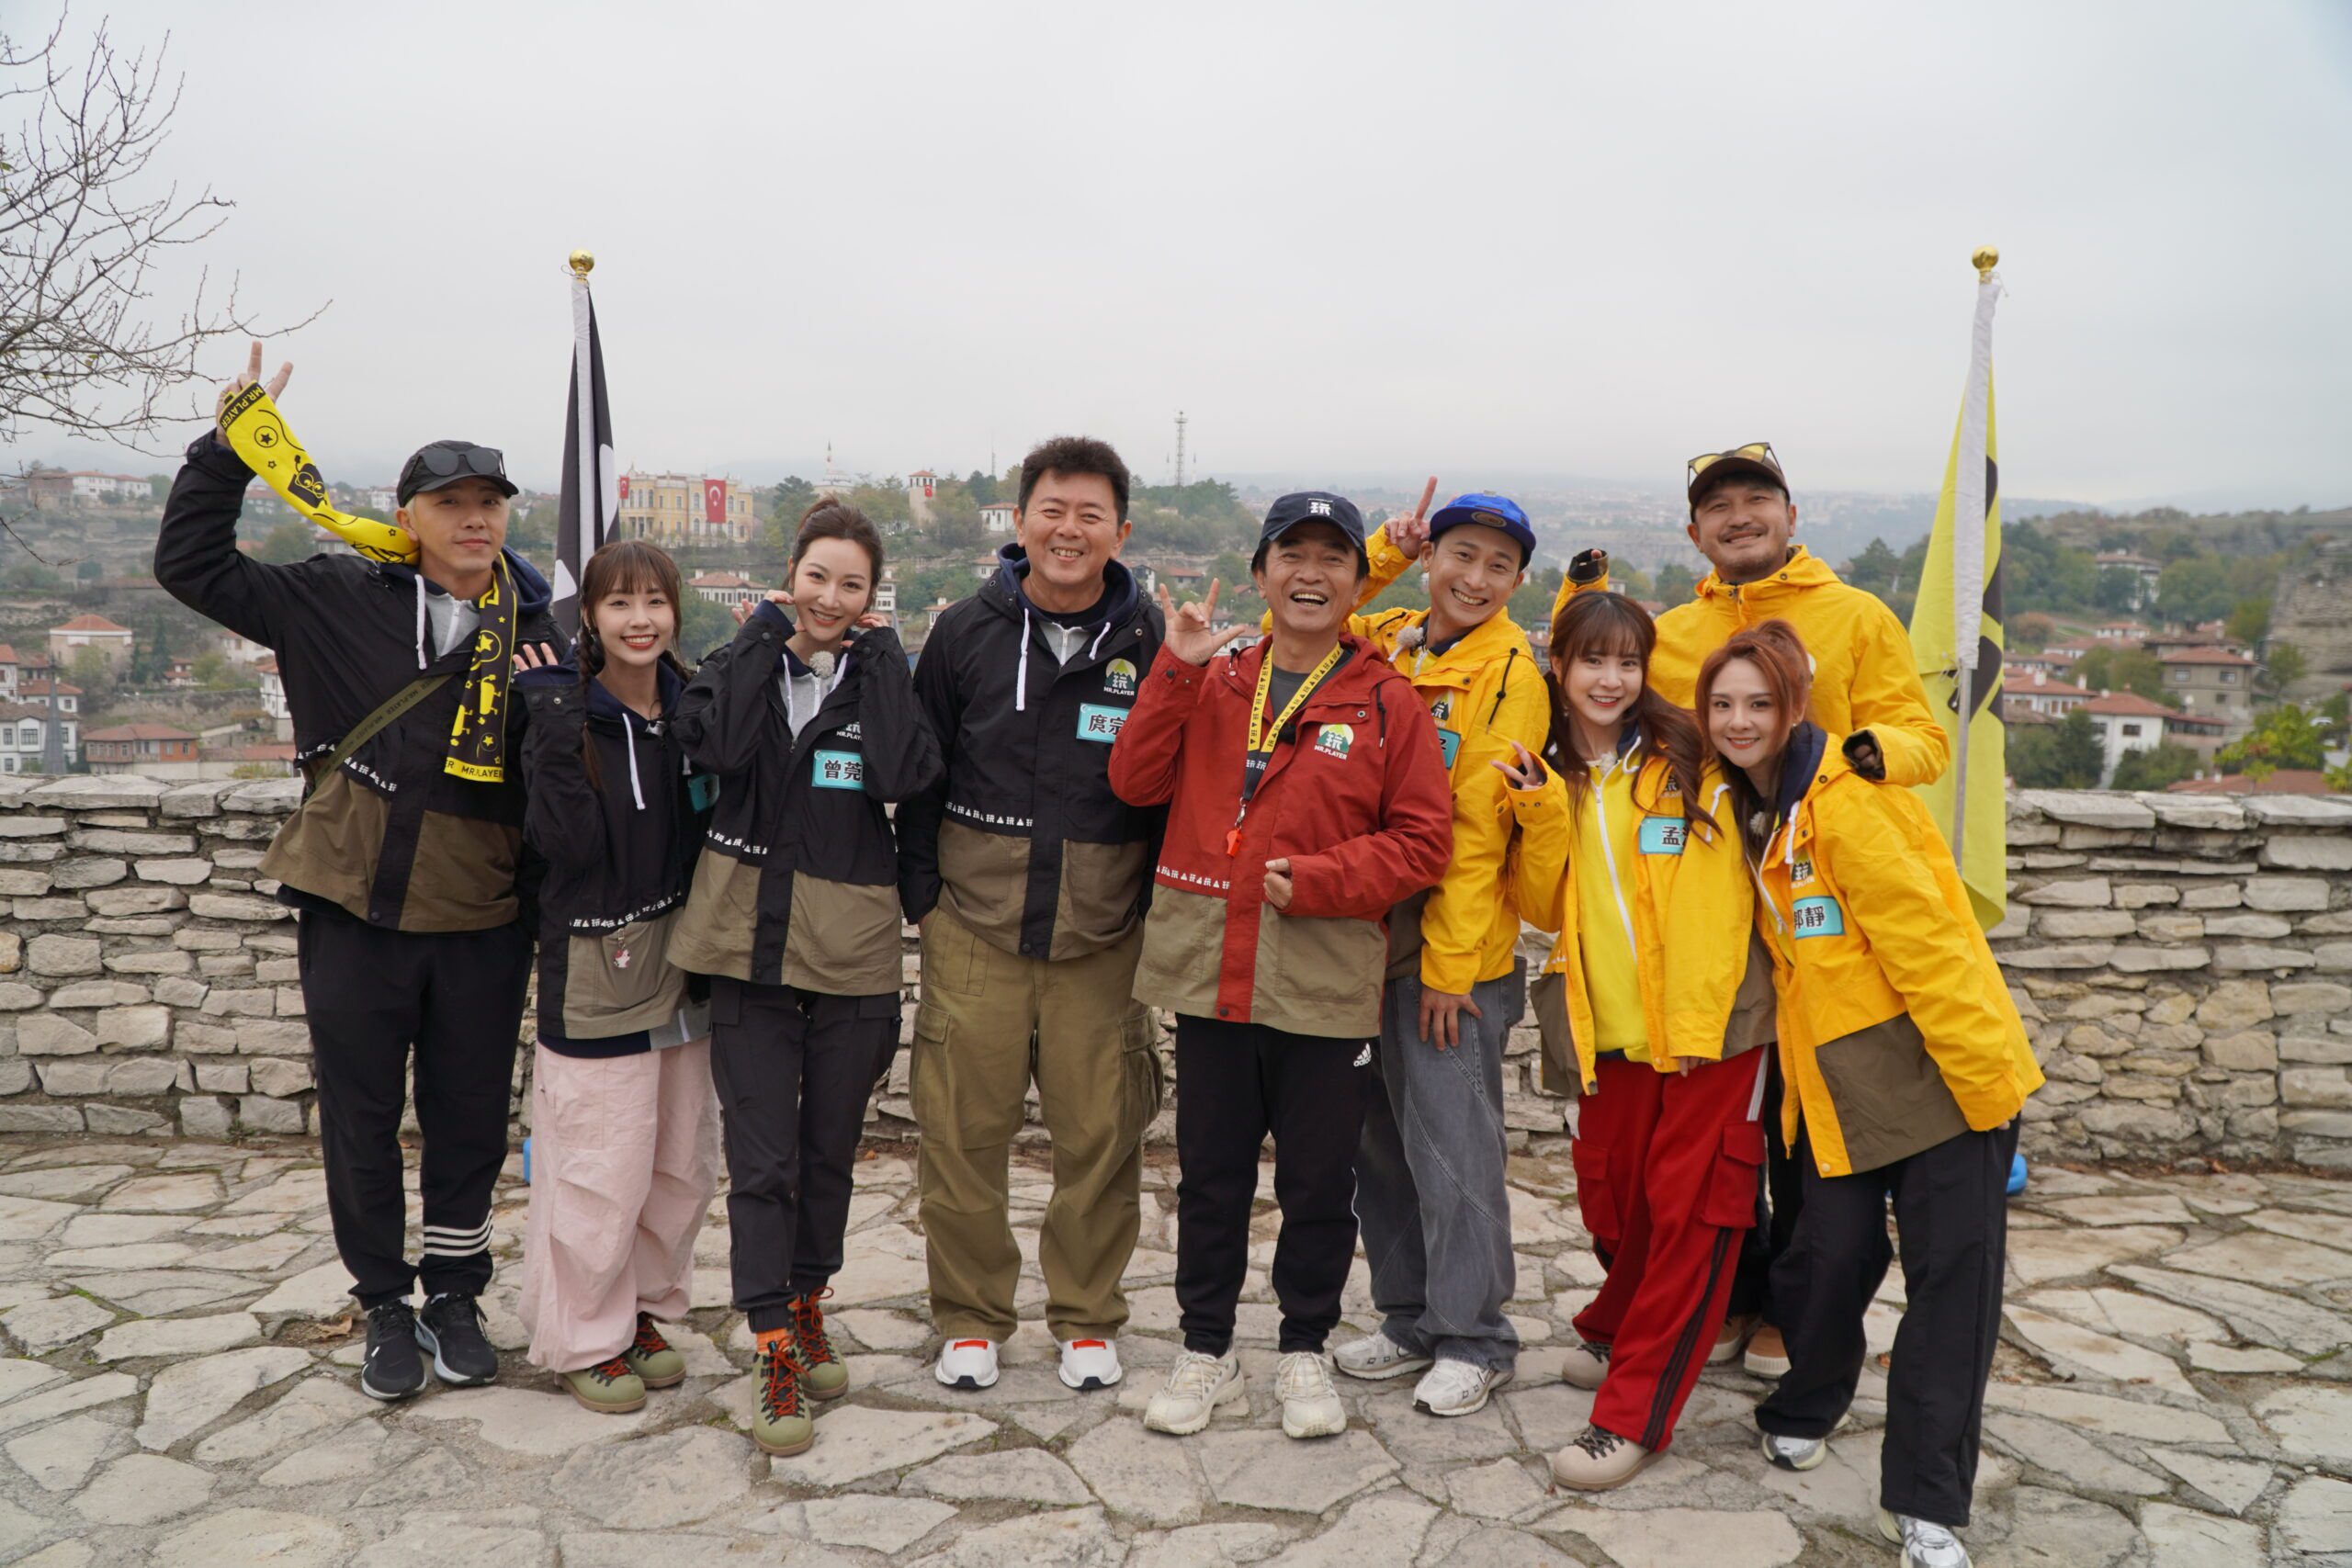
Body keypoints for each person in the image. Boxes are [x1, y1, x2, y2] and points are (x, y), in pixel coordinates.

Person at [154, 344, 563, 1402]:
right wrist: (225, 450)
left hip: (482, 915)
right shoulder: (332, 595)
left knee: (471, 1116)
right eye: (453, 502)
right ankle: (384, 1301)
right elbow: (192, 567)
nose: (476, 520)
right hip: (354, 909)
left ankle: (458, 1291)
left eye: (491, 504)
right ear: (410, 511)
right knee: (362, 1114)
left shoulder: (540, 626)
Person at [1553, 442, 1949, 1377]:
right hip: (1716, 922)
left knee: (1812, 1134)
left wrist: (1842, 765)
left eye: (1755, 499)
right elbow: (1592, 695)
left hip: (1825, 912)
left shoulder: (1855, 617)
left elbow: (1922, 738)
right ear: (1694, 532)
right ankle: (1724, 1299)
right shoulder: (1676, 634)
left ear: (1790, 516)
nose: (1737, 515)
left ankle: (1793, 1311)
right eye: (1718, 505)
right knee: (1722, 1139)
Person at [1109, 492, 1453, 1441]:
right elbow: (1133, 783)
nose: (1311, 572)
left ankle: (1304, 1347)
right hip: (1214, 971)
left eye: (1333, 558)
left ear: (1357, 582)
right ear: (1261, 574)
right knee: (1211, 1177)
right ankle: (1205, 1349)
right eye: (1290, 554)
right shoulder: (1212, 676)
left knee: (1316, 1183)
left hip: (1323, 978)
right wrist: (1171, 674)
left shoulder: (1387, 701)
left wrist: (1321, 877)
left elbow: (1423, 844)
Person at [1700, 619, 2041, 1568]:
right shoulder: (1750, 809)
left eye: (1758, 703)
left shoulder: (1846, 802)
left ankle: (1926, 1503)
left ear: (1795, 708)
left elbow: (1932, 949)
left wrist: (1985, 1098)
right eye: (1722, 704)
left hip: (1938, 1077)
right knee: (1824, 1261)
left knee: (1948, 1291)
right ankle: (1807, 1402)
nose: (1738, 721)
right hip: (1839, 1091)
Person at [668, 501, 941, 1457]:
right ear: (790, 578)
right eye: (817, 577)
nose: (831, 597)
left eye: (852, 584)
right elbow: (721, 750)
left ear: (873, 597)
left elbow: (906, 775)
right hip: (746, 947)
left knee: (828, 1150)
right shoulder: (734, 665)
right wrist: (758, 642)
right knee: (765, 1163)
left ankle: (811, 1300)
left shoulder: (878, 682)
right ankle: (773, 1342)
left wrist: (889, 662)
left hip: (853, 950)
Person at [898, 437, 1166, 1396]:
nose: (1068, 529)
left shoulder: (1150, 639)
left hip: (1102, 938)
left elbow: (1170, 790)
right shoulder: (964, 632)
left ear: (1119, 532)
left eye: (1090, 514)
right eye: (1051, 510)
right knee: (960, 1133)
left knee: (1102, 1135)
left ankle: (1086, 1317)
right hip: (975, 925)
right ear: (1020, 522)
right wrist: (924, 902)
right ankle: (970, 1317)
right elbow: (922, 775)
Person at [1496, 590, 1773, 1490]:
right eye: (1592, 661)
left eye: (1628, 662)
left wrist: (1701, 1023)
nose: (1610, 680)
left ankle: (1633, 1415)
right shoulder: (1547, 768)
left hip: (1712, 1029)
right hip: (1606, 1028)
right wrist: (1538, 814)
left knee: (1692, 1215)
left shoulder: (1689, 756)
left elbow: (1725, 898)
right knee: (1617, 1204)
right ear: (1559, 665)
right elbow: (1541, 906)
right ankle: (1620, 1323)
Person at [1300, 484, 1547, 1419]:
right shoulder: (1398, 635)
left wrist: (1449, 969)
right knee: (1380, 1144)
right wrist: (1385, 548)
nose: (1475, 579)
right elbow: (1314, 611)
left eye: (1498, 565)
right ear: (1434, 558)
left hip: (1454, 949)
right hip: (1366, 930)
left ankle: (1476, 1334)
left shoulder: (1509, 673)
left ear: (1519, 580)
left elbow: (1481, 833)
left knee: (1452, 1147)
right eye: (1460, 556)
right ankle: (1409, 1317)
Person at [511, 539, 716, 1415]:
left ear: (676, 612)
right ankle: (583, 1336)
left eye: (656, 602)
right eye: (620, 603)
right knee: (599, 1164)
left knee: (676, 1164)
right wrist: (556, 726)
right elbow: (565, 848)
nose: (641, 620)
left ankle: (642, 1312)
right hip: (598, 966)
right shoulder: (570, 714)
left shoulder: (692, 707)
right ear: (589, 616)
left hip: (687, 965)